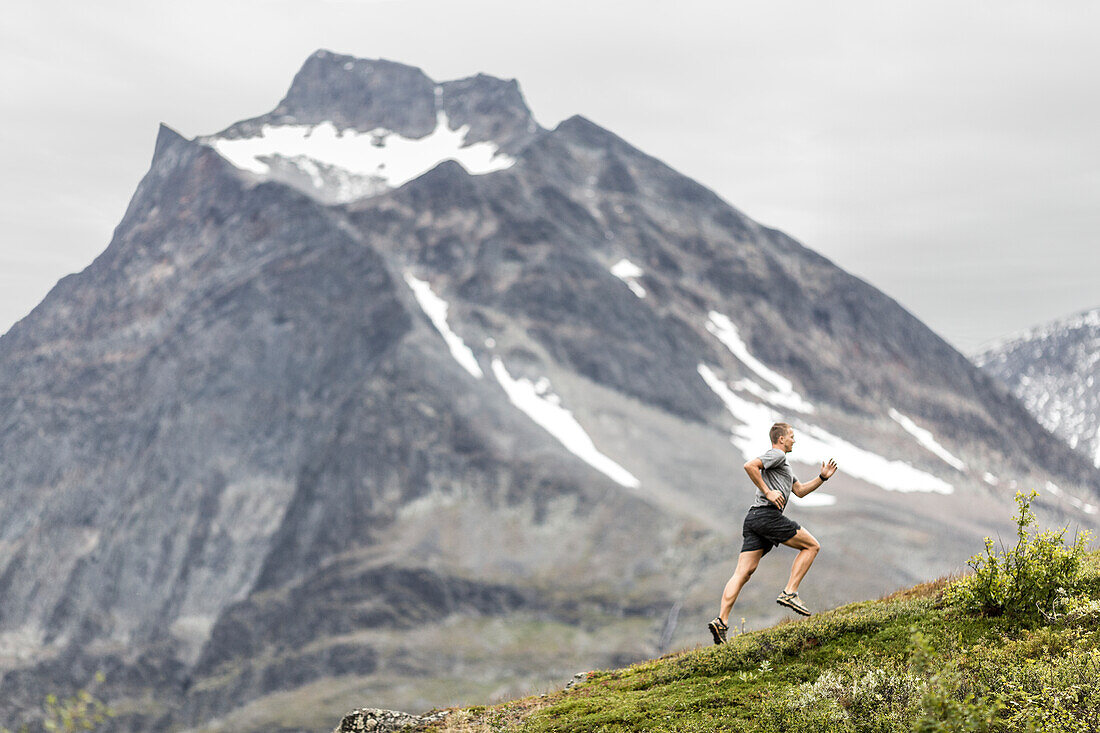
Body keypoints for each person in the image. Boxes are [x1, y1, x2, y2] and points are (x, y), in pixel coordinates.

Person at [708, 422, 838, 644]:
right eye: (791, 436)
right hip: (767, 516)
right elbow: (750, 466)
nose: (794, 440)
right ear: (780, 439)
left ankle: (722, 621)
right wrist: (768, 492)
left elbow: (800, 491)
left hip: (754, 519)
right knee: (812, 546)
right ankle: (790, 592)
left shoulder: (784, 467)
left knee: (743, 573)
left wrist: (822, 477)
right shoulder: (776, 455)